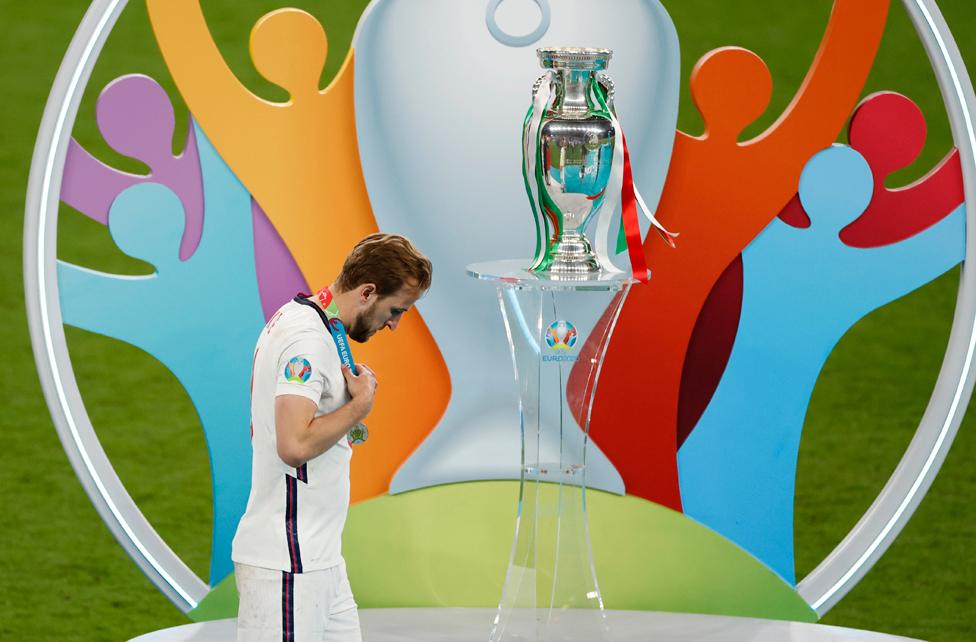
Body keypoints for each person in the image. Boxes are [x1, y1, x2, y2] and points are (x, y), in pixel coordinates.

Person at [231, 233, 433, 641]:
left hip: (320, 560)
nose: (393, 324)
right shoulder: (307, 342)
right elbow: (293, 445)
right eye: (396, 311)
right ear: (368, 291)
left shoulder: (312, 322)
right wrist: (358, 408)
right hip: (287, 567)